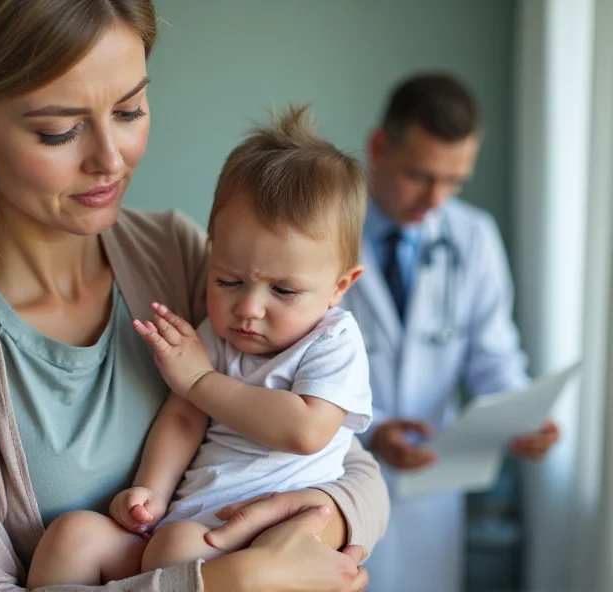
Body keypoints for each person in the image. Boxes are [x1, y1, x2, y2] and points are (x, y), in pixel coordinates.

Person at [0, 1, 389, 590]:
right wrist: (227, 581)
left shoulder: (178, 254)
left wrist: (320, 524)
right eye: (60, 130)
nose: (111, 160)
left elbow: (350, 465)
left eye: (130, 109)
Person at [26, 107, 374, 587]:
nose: (248, 308)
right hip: (189, 522)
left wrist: (202, 381)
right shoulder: (218, 331)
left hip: (263, 536)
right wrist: (151, 490)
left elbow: (307, 430)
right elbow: (183, 416)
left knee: (174, 549)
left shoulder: (333, 341)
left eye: (284, 291)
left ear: (340, 285)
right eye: (228, 279)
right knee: (74, 535)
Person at [339, 72, 561, 592]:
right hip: (337, 476)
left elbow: (494, 358)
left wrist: (521, 413)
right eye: (421, 175)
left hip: (431, 490)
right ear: (378, 147)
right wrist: (375, 430)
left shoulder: (473, 237)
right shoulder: (324, 226)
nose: (435, 199)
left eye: (454, 181)